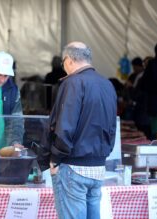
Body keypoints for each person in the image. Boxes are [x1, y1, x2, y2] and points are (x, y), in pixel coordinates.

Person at [47, 41, 117, 219]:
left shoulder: (72, 83)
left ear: (69, 60)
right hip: (98, 167)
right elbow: (112, 126)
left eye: (63, 63)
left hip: (73, 166)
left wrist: (55, 158)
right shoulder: (107, 84)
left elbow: (65, 126)